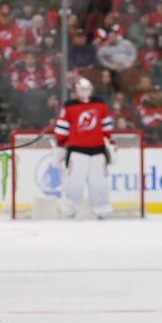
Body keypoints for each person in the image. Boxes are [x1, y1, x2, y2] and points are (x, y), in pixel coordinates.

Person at [54, 77, 115, 219]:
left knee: (99, 183)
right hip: (77, 151)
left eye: (87, 89)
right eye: (82, 89)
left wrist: (110, 143)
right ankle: (70, 209)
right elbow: (62, 131)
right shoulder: (69, 106)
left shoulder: (100, 104)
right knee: (73, 183)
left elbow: (107, 128)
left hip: (98, 150)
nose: (85, 92)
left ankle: (102, 209)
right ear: (76, 90)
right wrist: (60, 146)